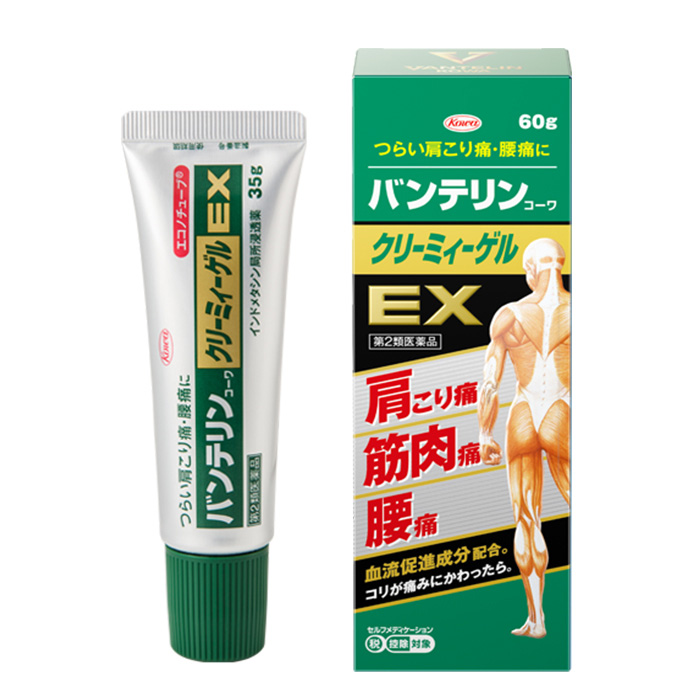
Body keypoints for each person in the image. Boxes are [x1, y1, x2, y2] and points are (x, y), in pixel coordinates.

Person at [477, 238, 570, 638]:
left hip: (522, 416)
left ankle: (537, 621)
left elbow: (489, 382)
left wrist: (484, 433)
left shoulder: (509, 316)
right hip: (563, 412)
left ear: (531, 269)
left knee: (527, 518)